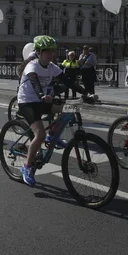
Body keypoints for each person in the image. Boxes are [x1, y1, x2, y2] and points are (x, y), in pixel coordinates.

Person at [17, 35, 92, 186]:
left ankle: (52, 136)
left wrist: (86, 93)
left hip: (42, 100)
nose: (51, 54)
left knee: (69, 108)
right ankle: (26, 167)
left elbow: (68, 82)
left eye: (53, 51)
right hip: (27, 102)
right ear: (39, 52)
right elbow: (34, 81)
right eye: (48, 51)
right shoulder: (32, 66)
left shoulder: (52, 67)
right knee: (39, 134)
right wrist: (41, 95)